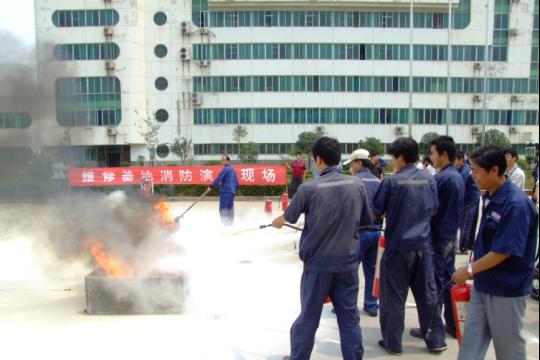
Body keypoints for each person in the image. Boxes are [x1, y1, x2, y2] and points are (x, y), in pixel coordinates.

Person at [272, 137, 372, 360]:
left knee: (309, 318)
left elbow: (288, 217)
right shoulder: (357, 185)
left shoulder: (309, 188)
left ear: (318, 159)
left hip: (318, 266)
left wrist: (278, 221)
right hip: (347, 265)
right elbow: (366, 220)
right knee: (349, 319)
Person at [452, 145, 538, 360]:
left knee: (509, 350)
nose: (473, 176)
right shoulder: (491, 196)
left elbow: (503, 251)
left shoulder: (516, 204)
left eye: (477, 171)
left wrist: (469, 269)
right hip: (484, 285)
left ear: (494, 170)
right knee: (470, 345)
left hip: (506, 289)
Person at [372, 137, 447, 355]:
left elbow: (376, 212)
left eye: (394, 157)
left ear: (401, 157)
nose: (393, 161)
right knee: (428, 296)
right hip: (423, 246)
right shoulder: (429, 179)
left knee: (393, 297)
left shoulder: (391, 182)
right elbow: (434, 209)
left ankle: (393, 342)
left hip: (398, 247)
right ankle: (435, 339)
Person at [410, 136, 464, 341]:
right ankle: (451, 324)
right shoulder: (455, 176)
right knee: (447, 281)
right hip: (449, 235)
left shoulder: (441, 179)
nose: (431, 157)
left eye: (433, 153)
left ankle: (433, 330)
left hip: (438, 237)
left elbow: (428, 208)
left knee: (434, 285)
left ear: (444, 154)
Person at [344, 148, 382, 317]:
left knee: (350, 270)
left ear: (359, 163)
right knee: (372, 271)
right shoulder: (378, 182)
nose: (351, 167)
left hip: (358, 233)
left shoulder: (352, 182)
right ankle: (371, 304)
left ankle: (348, 304)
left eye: (352, 163)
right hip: (376, 232)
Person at [455, 151, 481, 253]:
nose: (454, 162)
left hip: (469, 199)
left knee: (466, 222)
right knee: (470, 221)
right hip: (472, 197)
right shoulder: (461, 169)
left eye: (456, 160)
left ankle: (463, 247)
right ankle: (470, 244)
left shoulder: (465, 170)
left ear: (461, 160)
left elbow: (461, 186)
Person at [207, 154, 238, 225]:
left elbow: (219, 178)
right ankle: (231, 226)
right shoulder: (233, 170)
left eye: (224, 160)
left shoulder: (226, 169)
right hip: (231, 193)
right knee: (230, 210)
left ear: (228, 161)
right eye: (222, 160)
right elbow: (236, 183)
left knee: (223, 209)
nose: (222, 162)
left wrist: (211, 186)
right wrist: (234, 191)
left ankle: (225, 227)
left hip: (225, 193)